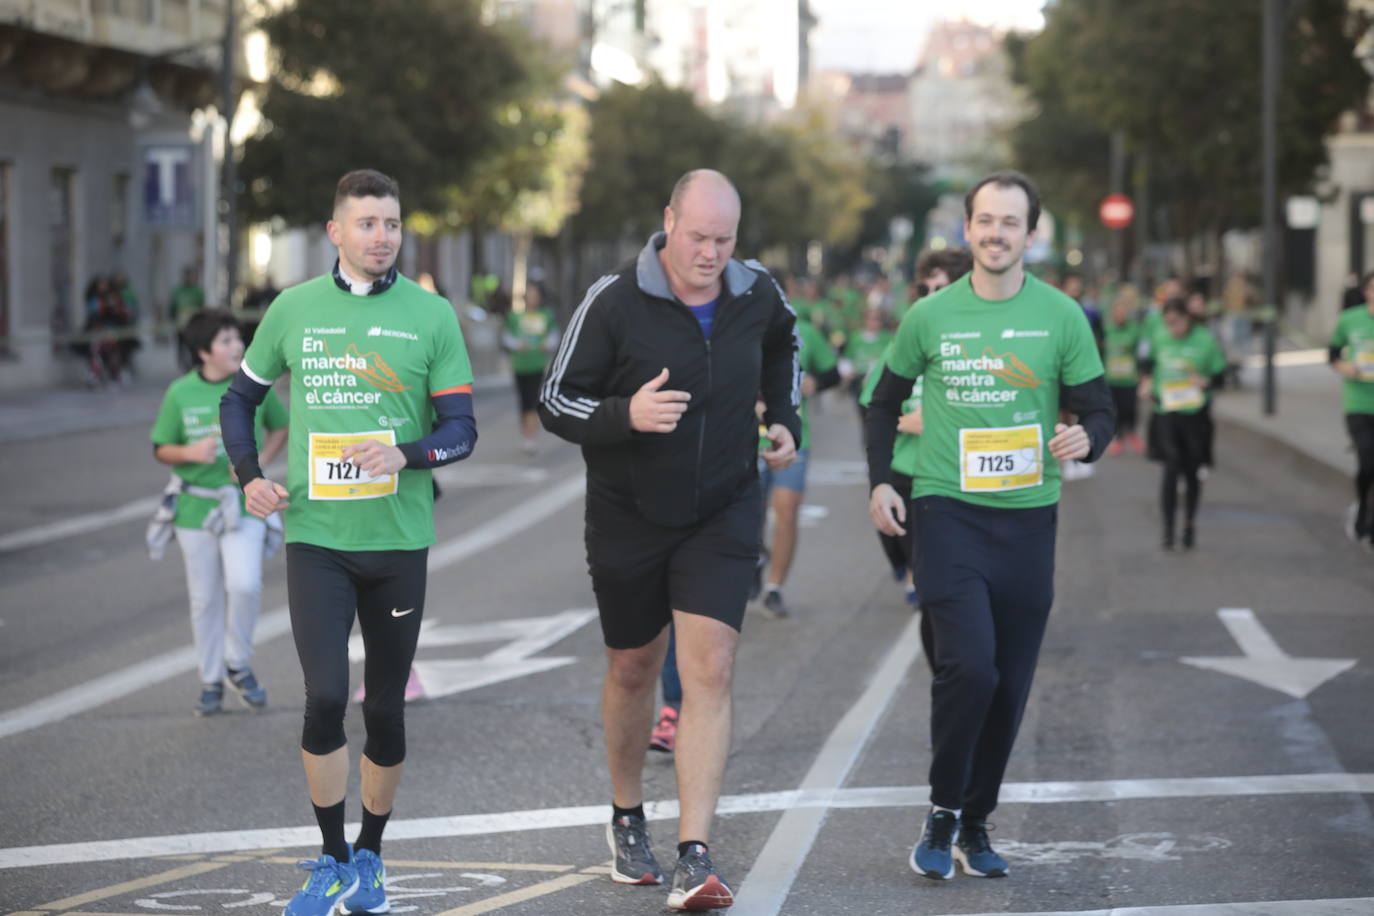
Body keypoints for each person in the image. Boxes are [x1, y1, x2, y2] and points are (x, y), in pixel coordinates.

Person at [219, 169, 478, 916]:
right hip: (318, 540)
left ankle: (372, 855)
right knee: (327, 695)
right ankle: (331, 859)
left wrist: (409, 453)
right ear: (335, 232)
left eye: (392, 224)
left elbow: (461, 431)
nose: (381, 237)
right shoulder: (293, 309)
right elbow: (241, 400)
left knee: (387, 710)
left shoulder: (431, 316)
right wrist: (248, 476)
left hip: (398, 541)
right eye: (366, 223)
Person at [539, 168, 799, 910]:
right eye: (698, 237)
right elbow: (555, 399)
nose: (710, 253)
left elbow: (786, 346)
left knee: (711, 665)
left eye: (723, 240)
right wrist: (627, 414)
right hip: (628, 514)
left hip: (722, 508)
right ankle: (626, 815)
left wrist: (784, 417)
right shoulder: (616, 299)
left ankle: (695, 852)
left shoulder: (757, 294)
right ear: (668, 223)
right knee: (631, 667)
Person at [866, 171, 1113, 883]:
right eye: (985, 220)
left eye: (1011, 222)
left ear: (1030, 234)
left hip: (1030, 521)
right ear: (967, 229)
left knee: (1007, 682)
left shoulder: (1061, 316)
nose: (996, 233)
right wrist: (884, 478)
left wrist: (1087, 439)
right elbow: (882, 404)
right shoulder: (932, 316)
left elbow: (1099, 410)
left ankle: (977, 820)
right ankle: (943, 813)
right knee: (968, 665)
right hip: (947, 512)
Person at [151, 309, 287, 715]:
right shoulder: (180, 393)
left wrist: (257, 461)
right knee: (204, 599)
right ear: (202, 351)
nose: (237, 347)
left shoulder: (253, 388)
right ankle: (210, 681)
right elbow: (160, 447)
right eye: (226, 341)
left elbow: (280, 426)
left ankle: (237, 663)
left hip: (243, 501)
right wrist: (189, 453)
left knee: (245, 584)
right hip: (194, 508)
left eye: (237, 339)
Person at [860, 246, 972, 621]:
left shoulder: (978, 341)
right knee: (898, 540)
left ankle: (920, 585)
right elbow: (872, 404)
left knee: (938, 577)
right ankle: (909, 573)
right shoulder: (909, 336)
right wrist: (903, 423)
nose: (930, 298)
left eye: (940, 288)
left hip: (957, 474)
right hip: (905, 467)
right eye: (925, 290)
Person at [757, 315, 840, 618]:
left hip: (791, 437)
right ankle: (754, 559)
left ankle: (774, 588)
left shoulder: (801, 331)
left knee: (787, 509)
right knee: (748, 516)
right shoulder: (731, 324)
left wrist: (815, 383)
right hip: (741, 439)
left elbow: (832, 372)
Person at [1138, 298, 1226, 550]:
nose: (1173, 328)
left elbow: (1221, 374)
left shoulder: (1205, 340)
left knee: (1191, 471)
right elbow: (1147, 363)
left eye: (1177, 322)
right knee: (1170, 467)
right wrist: (1145, 383)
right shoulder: (1160, 336)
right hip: (1165, 411)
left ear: (1188, 318)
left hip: (1195, 415)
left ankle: (1189, 524)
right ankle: (1167, 528)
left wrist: (1206, 381)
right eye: (1168, 323)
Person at [1329, 270, 1374, 548]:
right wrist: (1346, 367)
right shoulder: (1350, 319)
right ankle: (1361, 509)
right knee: (1368, 460)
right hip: (1358, 402)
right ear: (1366, 291)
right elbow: (1332, 353)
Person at [502, 281, 560, 455]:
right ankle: (526, 434)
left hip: (537, 364)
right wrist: (517, 345)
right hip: (520, 365)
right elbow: (507, 337)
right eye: (529, 295)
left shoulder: (547, 316)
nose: (531, 299)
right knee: (523, 401)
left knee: (533, 401)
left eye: (535, 295)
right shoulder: (515, 316)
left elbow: (553, 336)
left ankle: (530, 436)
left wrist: (546, 345)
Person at [1103, 285, 1145, 456]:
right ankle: (1118, 438)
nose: (1121, 315)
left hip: (1130, 378)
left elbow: (1141, 353)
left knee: (1131, 408)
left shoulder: (1135, 329)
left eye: (1124, 311)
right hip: (1112, 379)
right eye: (1118, 311)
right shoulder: (1106, 329)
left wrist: (1143, 375)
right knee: (1115, 410)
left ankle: (1132, 433)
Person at [170, 266, 207, 369]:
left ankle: (193, 364)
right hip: (180, 326)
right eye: (186, 276)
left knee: (193, 346)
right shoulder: (177, 291)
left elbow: (201, 307)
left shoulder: (197, 292)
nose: (188, 278)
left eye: (190, 276)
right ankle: (182, 364)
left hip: (193, 326)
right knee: (181, 347)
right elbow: (172, 308)